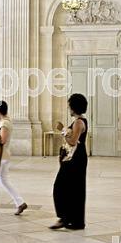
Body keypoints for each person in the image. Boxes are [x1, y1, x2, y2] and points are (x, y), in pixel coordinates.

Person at [50, 93, 88, 230]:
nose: (68, 108)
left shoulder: (78, 122)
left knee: (60, 187)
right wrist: (65, 129)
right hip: (76, 157)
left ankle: (65, 218)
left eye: (69, 106)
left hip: (75, 158)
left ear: (74, 107)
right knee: (73, 188)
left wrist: (63, 131)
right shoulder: (79, 121)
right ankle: (72, 220)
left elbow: (72, 141)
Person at [0, 101, 27, 216]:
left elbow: (2, 140)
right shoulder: (4, 122)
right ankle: (20, 202)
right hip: (3, 156)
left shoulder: (4, 124)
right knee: (4, 180)